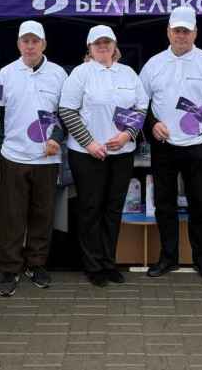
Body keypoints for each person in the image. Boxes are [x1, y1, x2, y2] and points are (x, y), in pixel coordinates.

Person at [139, 6, 202, 283]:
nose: (181, 35)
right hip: (164, 147)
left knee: (199, 206)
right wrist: (151, 124)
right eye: (177, 30)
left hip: (197, 146)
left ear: (195, 33)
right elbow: (140, 104)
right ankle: (168, 258)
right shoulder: (153, 64)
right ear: (168, 32)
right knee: (164, 204)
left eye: (186, 31)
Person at [59, 25, 149, 287]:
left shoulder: (128, 73)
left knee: (113, 208)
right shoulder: (81, 73)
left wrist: (128, 134)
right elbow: (66, 110)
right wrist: (89, 143)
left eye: (107, 42)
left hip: (122, 153)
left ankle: (110, 263)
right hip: (87, 154)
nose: (102, 46)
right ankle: (93, 265)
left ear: (114, 46)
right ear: (89, 47)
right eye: (97, 43)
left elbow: (141, 108)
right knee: (90, 208)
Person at [0, 21, 68, 296]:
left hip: (47, 158)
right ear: (18, 44)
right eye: (25, 41)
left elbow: (66, 113)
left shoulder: (58, 74)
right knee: (11, 215)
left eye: (35, 41)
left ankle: (36, 264)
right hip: (13, 156)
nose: (30, 46)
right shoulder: (6, 73)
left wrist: (57, 137)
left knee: (42, 214)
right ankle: (10, 268)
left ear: (44, 44)